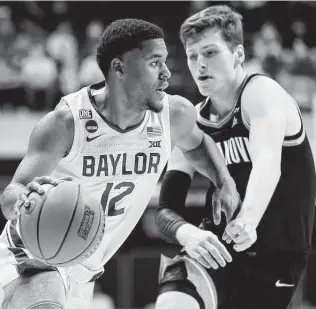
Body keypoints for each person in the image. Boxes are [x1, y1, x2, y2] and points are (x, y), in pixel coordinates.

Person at [0, 18, 239, 309]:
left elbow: (199, 143)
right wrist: (23, 198)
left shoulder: (173, 115)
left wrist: (224, 180)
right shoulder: (66, 123)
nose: (166, 73)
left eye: (164, 62)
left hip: (84, 269)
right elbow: (12, 192)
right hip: (35, 252)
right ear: (119, 68)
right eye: (154, 63)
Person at [156, 5, 316, 309]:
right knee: (172, 303)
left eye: (210, 53)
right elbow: (166, 210)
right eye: (192, 56)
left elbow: (268, 163)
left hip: (278, 255)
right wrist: (188, 233)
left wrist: (248, 219)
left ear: (239, 54)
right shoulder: (192, 123)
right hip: (217, 247)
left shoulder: (261, 93)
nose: (200, 64)